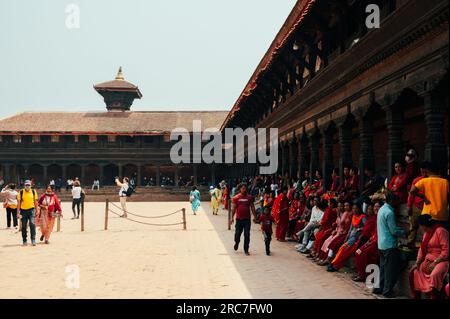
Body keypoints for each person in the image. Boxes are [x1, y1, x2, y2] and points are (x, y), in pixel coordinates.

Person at [374, 191, 407, 298]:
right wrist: (404, 232)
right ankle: (387, 291)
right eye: (396, 201)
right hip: (389, 244)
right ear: (392, 201)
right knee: (390, 270)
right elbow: (393, 231)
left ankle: (379, 288)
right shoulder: (389, 212)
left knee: (383, 268)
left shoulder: (381, 210)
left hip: (381, 244)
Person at [409, 214, 449, 299]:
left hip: (442, 260)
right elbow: (421, 249)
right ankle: (417, 296)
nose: (420, 227)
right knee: (414, 272)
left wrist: (435, 262)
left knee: (435, 274)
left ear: (423, 225)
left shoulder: (441, 231)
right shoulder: (426, 234)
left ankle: (434, 296)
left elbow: (446, 251)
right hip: (428, 259)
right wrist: (418, 262)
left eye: (420, 225)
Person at [327, 203, 368, 272]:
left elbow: (366, 227)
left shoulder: (363, 217)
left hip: (356, 238)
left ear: (359, 209)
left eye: (356, 208)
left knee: (343, 249)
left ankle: (333, 263)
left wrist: (360, 229)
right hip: (351, 237)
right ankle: (335, 265)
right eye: (353, 208)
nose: (354, 210)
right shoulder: (354, 216)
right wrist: (347, 237)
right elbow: (350, 229)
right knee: (343, 250)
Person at [353, 201, 381, 282]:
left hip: (376, 242)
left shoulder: (378, 217)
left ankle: (369, 276)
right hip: (370, 240)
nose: (375, 209)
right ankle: (361, 274)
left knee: (364, 254)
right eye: (375, 207)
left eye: (377, 207)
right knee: (357, 252)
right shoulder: (372, 217)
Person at [317, 201, 352, 265]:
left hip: (342, 233)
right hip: (337, 231)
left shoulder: (347, 214)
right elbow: (336, 224)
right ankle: (321, 257)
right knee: (326, 241)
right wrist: (335, 230)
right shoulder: (339, 213)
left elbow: (345, 226)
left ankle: (327, 259)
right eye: (339, 206)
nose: (340, 207)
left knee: (331, 242)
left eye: (342, 206)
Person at [230, 184, 257, 256]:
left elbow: (252, 207)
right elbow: (233, 209)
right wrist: (231, 218)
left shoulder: (250, 197)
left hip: (247, 220)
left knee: (247, 235)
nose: (244, 190)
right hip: (239, 220)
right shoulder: (236, 198)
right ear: (240, 189)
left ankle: (246, 249)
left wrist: (255, 217)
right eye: (243, 188)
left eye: (245, 188)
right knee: (237, 235)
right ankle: (236, 242)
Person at [405, 162, 427, 249]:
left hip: (426, 207)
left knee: (425, 229)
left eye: (425, 171)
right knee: (413, 227)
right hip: (416, 207)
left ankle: (425, 247)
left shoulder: (431, 180)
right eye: (422, 171)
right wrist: (409, 206)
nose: (423, 173)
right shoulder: (417, 180)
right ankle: (410, 245)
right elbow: (411, 194)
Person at [17, 180, 39, 246]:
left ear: (31, 185)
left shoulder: (33, 191)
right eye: (26, 185)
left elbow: (35, 202)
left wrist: (37, 210)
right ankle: (24, 240)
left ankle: (33, 239)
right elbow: (18, 203)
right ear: (24, 185)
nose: (27, 186)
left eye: (28, 185)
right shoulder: (21, 192)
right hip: (23, 211)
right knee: (24, 226)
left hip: (31, 210)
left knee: (32, 224)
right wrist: (18, 213)